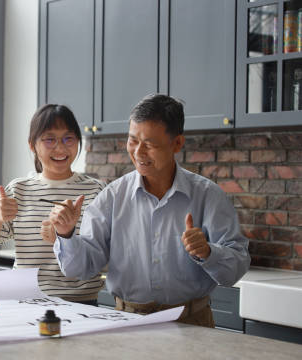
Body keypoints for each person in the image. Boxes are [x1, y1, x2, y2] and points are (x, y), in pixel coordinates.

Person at [51, 94, 251, 327]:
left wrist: (208, 252)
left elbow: (236, 268)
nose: (138, 152)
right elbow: (80, 268)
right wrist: (66, 234)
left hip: (192, 324)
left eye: (150, 144)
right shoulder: (113, 197)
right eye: (133, 140)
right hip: (128, 322)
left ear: (177, 143)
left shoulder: (208, 196)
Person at [0, 104, 106, 304]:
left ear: (78, 141)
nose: (60, 148)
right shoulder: (18, 189)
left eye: (68, 138)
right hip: (27, 302)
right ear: (32, 145)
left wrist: (63, 239)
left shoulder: (96, 191)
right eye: (49, 139)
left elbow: (103, 256)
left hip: (81, 303)